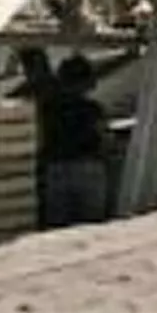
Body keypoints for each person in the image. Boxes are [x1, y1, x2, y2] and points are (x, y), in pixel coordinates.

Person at [24, 51, 111, 227]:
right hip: (89, 168)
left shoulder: (47, 109)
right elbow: (105, 139)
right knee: (93, 227)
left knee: (58, 230)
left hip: (56, 169)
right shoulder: (93, 109)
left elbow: (39, 140)